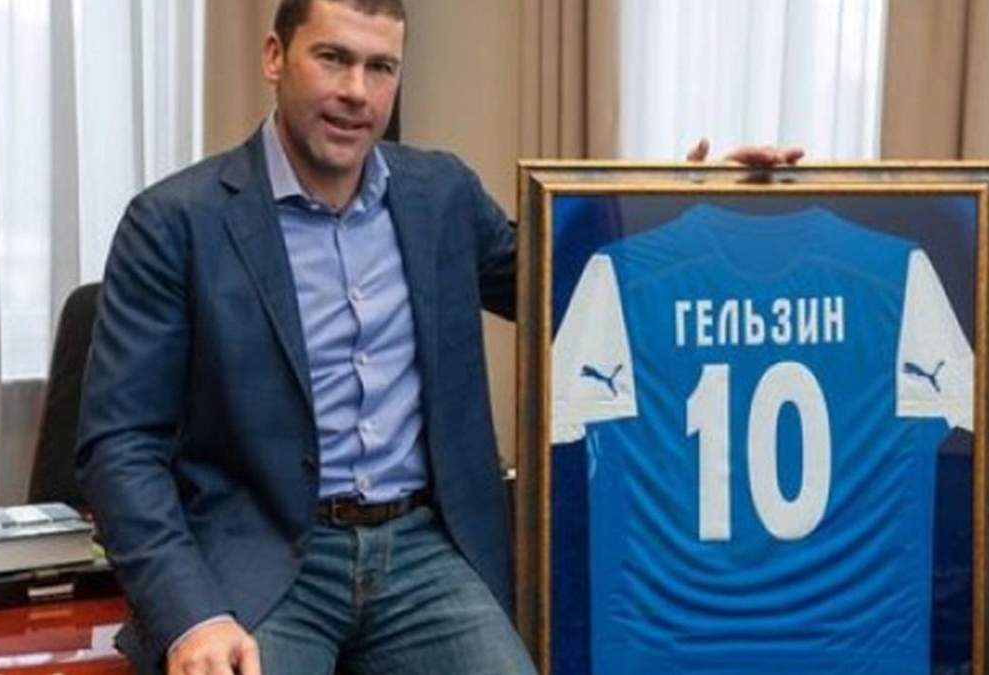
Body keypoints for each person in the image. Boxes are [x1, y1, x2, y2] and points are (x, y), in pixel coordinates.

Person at [75, 1, 801, 674]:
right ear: (274, 57)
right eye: (332, 58)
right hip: (264, 561)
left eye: (380, 67)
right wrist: (192, 616)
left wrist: (685, 201)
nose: (356, 91)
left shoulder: (441, 194)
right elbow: (120, 445)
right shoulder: (175, 221)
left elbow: (572, 283)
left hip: (425, 555)